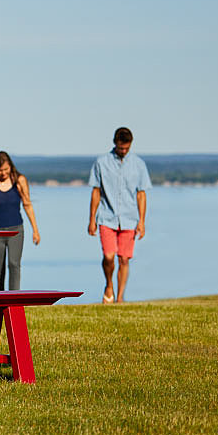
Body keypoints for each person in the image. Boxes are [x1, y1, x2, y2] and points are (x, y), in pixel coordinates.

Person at [88, 126, 151, 303]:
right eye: (121, 147)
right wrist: (91, 219)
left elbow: (141, 194)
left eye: (127, 148)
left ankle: (120, 297)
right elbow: (96, 191)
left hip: (130, 219)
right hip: (106, 217)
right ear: (115, 143)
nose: (123, 151)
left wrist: (142, 221)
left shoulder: (139, 164)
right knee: (109, 256)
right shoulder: (102, 162)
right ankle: (109, 285)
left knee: (124, 259)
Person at [0, 151, 40, 290]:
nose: (3, 173)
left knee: (14, 265)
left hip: (16, 230)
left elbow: (27, 205)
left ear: (11, 166)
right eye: (0, 170)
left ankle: (14, 302)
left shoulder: (19, 180)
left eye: (6, 169)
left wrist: (35, 230)